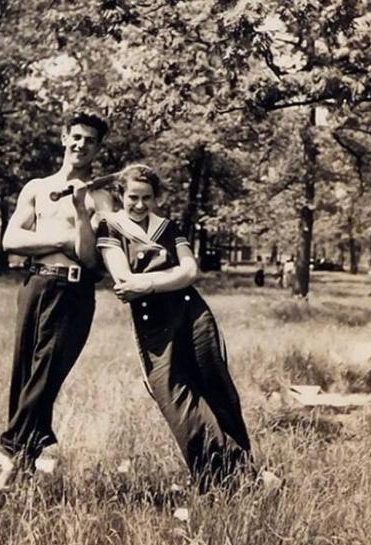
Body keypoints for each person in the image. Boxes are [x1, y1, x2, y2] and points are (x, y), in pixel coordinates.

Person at [96, 163, 254, 494]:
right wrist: (163, 279)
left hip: (193, 313)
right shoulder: (111, 228)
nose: (140, 205)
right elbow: (122, 279)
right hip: (152, 324)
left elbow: (191, 271)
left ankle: (244, 475)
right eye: (133, 198)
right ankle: (218, 481)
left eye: (147, 198)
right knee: (176, 400)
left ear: (156, 198)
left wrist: (147, 283)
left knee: (217, 389)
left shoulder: (168, 227)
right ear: (121, 196)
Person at [0, 111, 113, 496]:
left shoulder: (101, 197)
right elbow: (11, 241)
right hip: (36, 285)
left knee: (45, 375)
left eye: (89, 140)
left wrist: (78, 212)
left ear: (98, 148)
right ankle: (25, 466)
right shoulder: (36, 188)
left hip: (73, 293)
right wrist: (60, 241)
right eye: (75, 137)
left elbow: (91, 262)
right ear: (63, 138)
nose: (80, 144)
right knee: (25, 373)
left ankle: (10, 449)